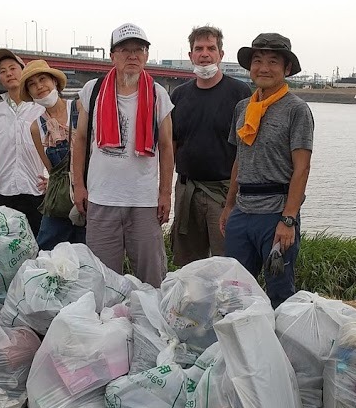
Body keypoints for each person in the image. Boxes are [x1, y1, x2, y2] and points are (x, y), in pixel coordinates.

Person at [72, 23, 174, 288]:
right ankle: (108, 325)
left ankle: (150, 324)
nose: (132, 56)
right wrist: (79, 185)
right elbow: (80, 139)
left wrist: (165, 193)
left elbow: (166, 145)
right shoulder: (93, 90)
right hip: (102, 198)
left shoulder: (158, 94)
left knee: (151, 277)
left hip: (144, 201)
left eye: (139, 50)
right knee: (103, 278)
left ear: (146, 55)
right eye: (124, 50)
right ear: (112, 56)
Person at [219, 33, 313, 308]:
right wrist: (229, 205)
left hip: (275, 214)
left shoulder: (297, 110)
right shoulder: (243, 108)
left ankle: (281, 350)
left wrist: (289, 220)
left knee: (279, 294)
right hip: (243, 211)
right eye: (258, 61)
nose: (264, 68)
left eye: (273, 61)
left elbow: (302, 168)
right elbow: (240, 158)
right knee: (234, 292)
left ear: (286, 69)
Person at [169, 26, 252, 266]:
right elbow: (171, 143)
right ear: (190, 55)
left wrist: (234, 197)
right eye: (199, 49)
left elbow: (246, 147)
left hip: (224, 191)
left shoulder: (240, 93)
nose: (205, 54)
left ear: (221, 54)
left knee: (226, 262)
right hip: (186, 189)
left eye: (210, 48)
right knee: (187, 263)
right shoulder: (179, 95)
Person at [0, 48, 47, 235]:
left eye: (12, 68)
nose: (8, 73)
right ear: (0, 78)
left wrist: (53, 179)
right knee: (6, 242)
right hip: (3, 189)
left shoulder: (40, 108)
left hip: (35, 189)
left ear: (23, 71)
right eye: (2, 71)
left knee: (38, 240)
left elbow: (58, 147)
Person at [17, 59, 85, 249]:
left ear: (54, 81)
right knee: (46, 250)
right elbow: (51, 169)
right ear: (29, 94)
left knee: (89, 254)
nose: (39, 86)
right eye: (32, 84)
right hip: (61, 201)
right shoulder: (36, 128)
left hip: (91, 194)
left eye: (42, 79)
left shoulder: (80, 108)